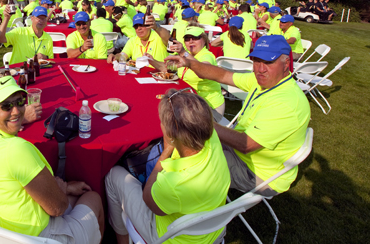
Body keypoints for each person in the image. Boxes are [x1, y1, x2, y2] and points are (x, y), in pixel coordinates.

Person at [166, 34, 310, 196]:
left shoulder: (286, 102)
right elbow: (222, 75)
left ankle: (170, 200)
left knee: (188, 160)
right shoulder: (265, 81)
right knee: (185, 141)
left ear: (286, 64)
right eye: (256, 60)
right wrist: (190, 63)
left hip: (257, 173)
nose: (260, 69)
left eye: (269, 62)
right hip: (242, 154)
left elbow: (246, 145)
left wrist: (200, 121)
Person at [0, 76, 104, 243]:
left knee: (76, 197)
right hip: (40, 237)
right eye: (6, 106)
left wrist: (63, 187)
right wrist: (59, 188)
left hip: (5, 235)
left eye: (19, 101)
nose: (16, 111)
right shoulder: (17, 148)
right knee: (93, 197)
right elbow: (58, 207)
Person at [105, 88, 230, 244]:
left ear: (171, 134)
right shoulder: (212, 138)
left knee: (112, 174)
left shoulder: (173, 184)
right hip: (213, 231)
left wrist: (166, 151)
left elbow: (149, 200)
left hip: (168, 237)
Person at [161, 26, 225, 114]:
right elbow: (167, 67)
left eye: (195, 38)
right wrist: (150, 60)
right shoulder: (186, 55)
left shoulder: (206, 55)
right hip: (190, 102)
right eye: (187, 39)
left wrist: (184, 52)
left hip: (208, 107)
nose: (191, 41)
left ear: (204, 39)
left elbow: (203, 70)